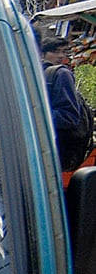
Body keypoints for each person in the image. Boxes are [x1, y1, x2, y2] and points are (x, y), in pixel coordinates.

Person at [42, 36, 92, 173]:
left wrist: (35, 116)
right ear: (42, 54)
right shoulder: (32, 73)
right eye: (55, 51)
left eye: (63, 52)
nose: (60, 56)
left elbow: (70, 117)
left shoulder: (61, 74)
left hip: (55, 150)